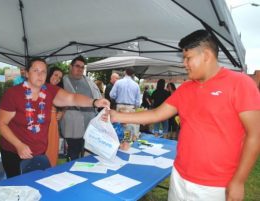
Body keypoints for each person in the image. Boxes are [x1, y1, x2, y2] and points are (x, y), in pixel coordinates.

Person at [107, 29, 260, 201]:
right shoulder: (186, 88)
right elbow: (157, 113)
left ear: (207, 55)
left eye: (188, 58)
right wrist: (116, 116)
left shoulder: (240, 84)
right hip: (180, 177)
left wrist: (239, 181)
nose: (184, 64)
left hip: (216, 186)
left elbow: (255, 135)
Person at [0, 57, 109, 178]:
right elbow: (1, 123)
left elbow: (72, 98)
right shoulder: (13, 94)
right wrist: (18, 145)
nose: (40, 75)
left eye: (43, 71)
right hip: (14, 152)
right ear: (27, 73)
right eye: (36, 71)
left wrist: (95, 102)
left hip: (39, 151)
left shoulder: (50, 91)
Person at [60, 55, 102, 161]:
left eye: (82, 67)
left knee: (88, 156)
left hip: (90, 126)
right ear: (70, 67)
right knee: (73, 155)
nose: (80, 69)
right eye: (77, 66)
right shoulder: (62, 82)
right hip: (72, 127)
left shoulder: (90, 82)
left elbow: (98, 99)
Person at [45, 67, 64, 166]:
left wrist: (61, 112)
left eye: (60, 77)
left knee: (52, 149)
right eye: (55, 75)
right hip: (41, 124)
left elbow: (66, 104)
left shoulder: (59, 91)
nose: (57, 78)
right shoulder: (41, 86)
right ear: (49, 74)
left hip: (53, 125)